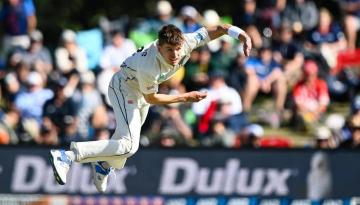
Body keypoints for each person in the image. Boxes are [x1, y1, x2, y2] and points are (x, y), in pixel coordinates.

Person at [49, 24, 252, 192]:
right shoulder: (149, 65)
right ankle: (67, 155)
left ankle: (103, 165)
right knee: (129, 145)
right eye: (169, 50)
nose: (175, 54)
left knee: (123, 152)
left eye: (177, 49)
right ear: (159, 47)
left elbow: (218, 28)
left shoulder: (187, 42)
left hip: (140, 93)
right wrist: (185, 97)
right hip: (124, 89)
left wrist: (241, 35)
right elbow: (152, 98)